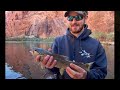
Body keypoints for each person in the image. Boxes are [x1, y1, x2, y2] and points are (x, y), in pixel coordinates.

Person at [35, 11, 107, 79]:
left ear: (86, 17)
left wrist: (87, 76)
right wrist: (49, 67)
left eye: (78, 17)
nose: (74, 22)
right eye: (70, 18)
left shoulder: (96, 45)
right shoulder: (58, 41)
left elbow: (101, 73)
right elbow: (53, 71)